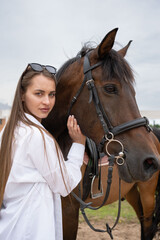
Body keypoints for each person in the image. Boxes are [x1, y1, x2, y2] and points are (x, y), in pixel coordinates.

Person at [0, 63, 86, 240]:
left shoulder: (8, 131)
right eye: (39, 94)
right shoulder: (38, 136)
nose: (47, 102)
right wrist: (79, 145)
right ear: (22, 95)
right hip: (31, 228)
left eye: (52, 94)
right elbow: (64, 184)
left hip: (9, 225)